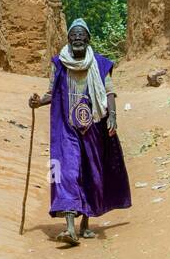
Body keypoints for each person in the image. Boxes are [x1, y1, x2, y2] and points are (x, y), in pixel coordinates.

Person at [28, 19, 132, 245]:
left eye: (81, 35)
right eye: (73, 35)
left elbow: (109, 92)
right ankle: (69, 228)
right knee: (67, 172)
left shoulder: (100, 64)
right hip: (67, 127)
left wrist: (112, 116)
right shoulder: (59, 64)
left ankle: (85, 224)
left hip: (93, 126)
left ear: (88, 40)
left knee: (91, 173)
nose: (77, 39)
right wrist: (37, 102)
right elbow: (51, 93)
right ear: (68, 39)